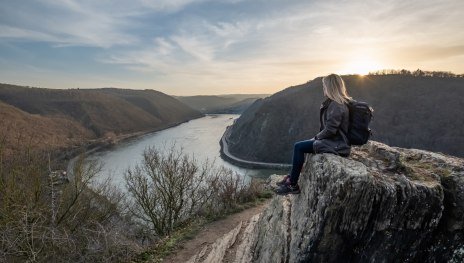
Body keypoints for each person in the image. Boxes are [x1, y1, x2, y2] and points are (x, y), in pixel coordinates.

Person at [275, 74, 352, 195]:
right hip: (334, 141)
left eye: (324, 86)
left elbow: (331, 130)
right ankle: (291, 177)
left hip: (337, 144)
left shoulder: (336, 105)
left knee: (298, 147)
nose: (323, 89)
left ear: (330, 87)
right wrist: (317, 137)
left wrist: (317, 137)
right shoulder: (337, 103)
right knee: (301, 145)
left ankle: (293, 184)